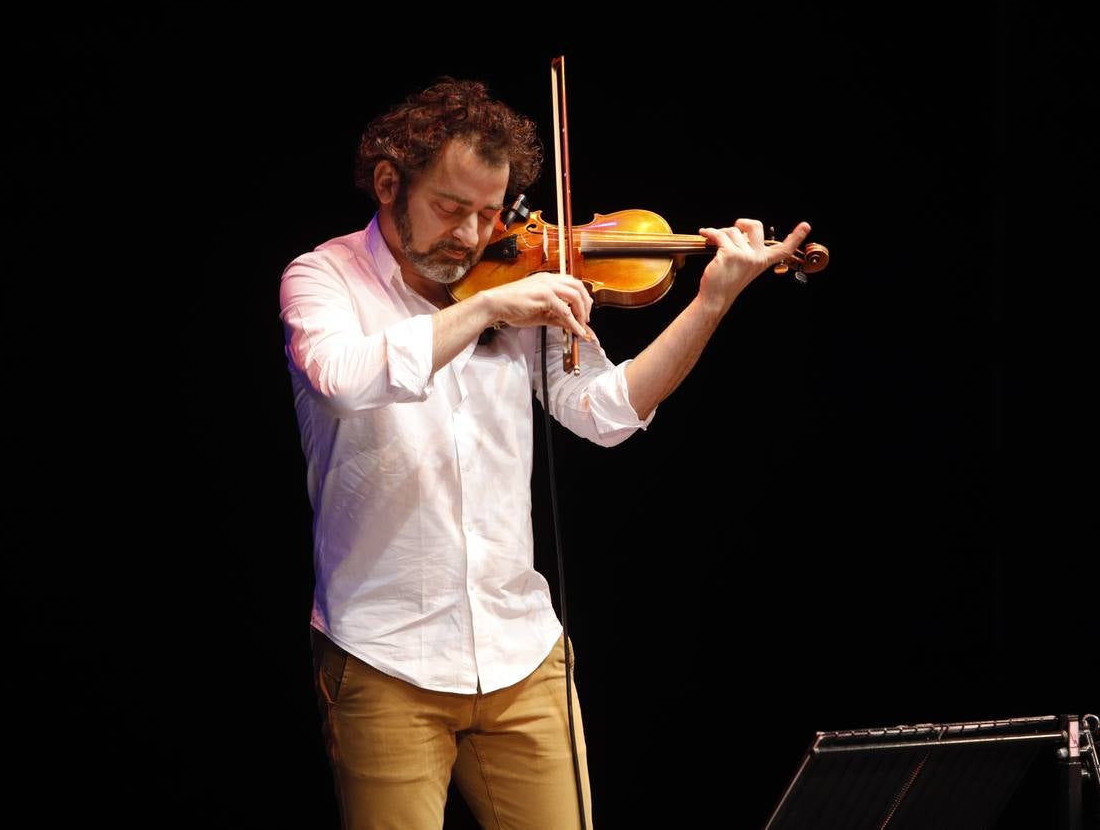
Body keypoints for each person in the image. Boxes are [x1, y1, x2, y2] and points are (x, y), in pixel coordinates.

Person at [280, 78, 811, 829]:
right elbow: (344, 382)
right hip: (382, 655)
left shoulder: (518, 277)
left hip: (523, 652)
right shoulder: (322, 278)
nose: (471, 236)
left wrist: (712, 302)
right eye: (450, 208)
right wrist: (491, 308)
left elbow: (608, 414)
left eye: (490, 213)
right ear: (390, 182)